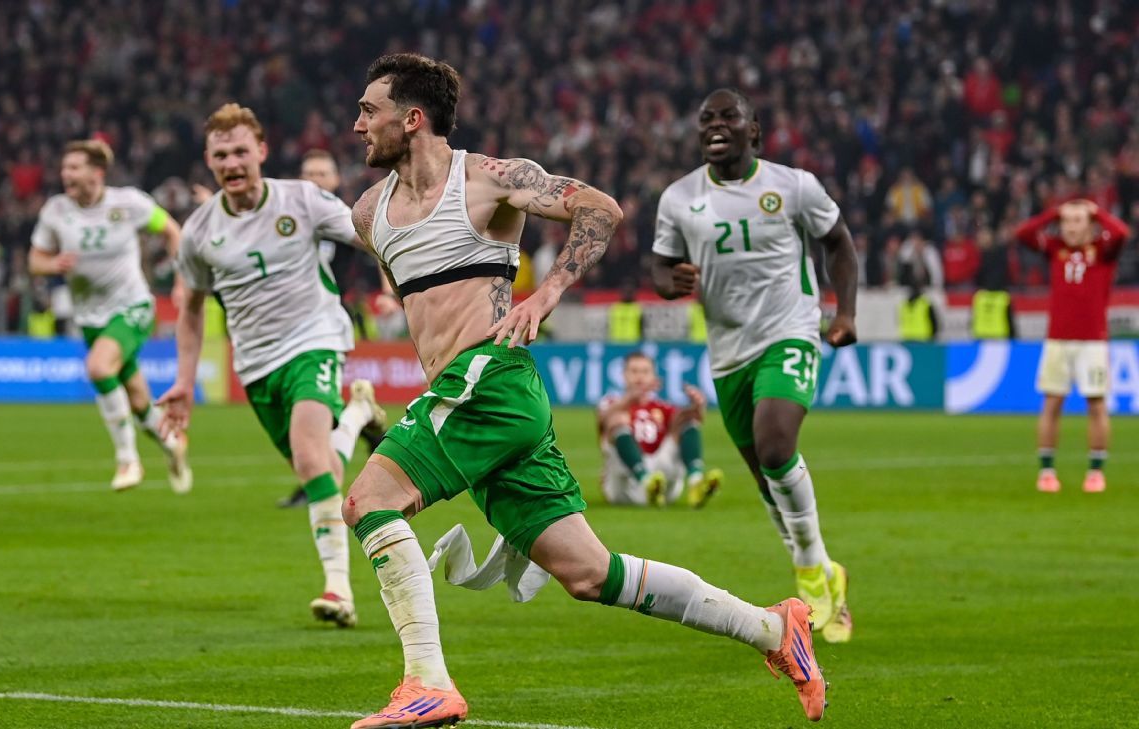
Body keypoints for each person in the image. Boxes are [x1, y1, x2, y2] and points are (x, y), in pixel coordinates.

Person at [343, 54, 826, 727]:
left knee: (368, 501)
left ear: (413, 118)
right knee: (589, 572)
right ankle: (774, 629)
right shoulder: (369, 213)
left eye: (370, 110)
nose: (358, 124)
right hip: (474, 395)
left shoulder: (489, 179)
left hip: (491, 378)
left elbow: (599, 207)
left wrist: (546, 292)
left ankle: (426, 681)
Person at [158, 103, 387, 629]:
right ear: (209, 162)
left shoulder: (301, 199)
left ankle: (339, 589)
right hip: (257, 364)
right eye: (221, 155)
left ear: (260, 151)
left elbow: (368, 234)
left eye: (241, 151)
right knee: (323, 470)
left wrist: (399, 272)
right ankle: (358, 416)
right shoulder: (199, 231)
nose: (232, 163)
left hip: (314, 339)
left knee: (310, 459)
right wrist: (184, 381)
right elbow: (190, 310)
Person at [651, 88, 859, 646]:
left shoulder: (794, 186)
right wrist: (668, 282)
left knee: (775, 446)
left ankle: (810, 570)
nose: (715, 125)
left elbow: (839, 244)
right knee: (768, 479)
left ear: (754, 130)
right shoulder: (679, 197)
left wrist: (845, 312)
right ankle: (827, 575)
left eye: (729, 116)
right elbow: (661, 265)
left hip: (790, 330)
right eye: (706, 118)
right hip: (727, 352)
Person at [28, 139, 192, 494]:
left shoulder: (128, 203)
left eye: (74, 167)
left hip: (133, 307)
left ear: (96, 173)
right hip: (90, 319)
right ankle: (172, 443)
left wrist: (181, 280)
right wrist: (53, 264)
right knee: (138, 401)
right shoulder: (55, 211)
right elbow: (35, 260)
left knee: (99, 367)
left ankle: (127, 459)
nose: (66, 174)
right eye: (64, 167)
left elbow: (171, 231)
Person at [276, 149, 388, 510]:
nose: (315, 180)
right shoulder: (285, 219)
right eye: (309, 173)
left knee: (310, 400)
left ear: (336, 180)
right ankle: (365, 422)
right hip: (291, 322)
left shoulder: (344, 217)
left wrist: (388, 292)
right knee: (307, 400)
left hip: (328, 322)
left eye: (323, 173)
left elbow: (377, 245)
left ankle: (313, 481)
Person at [1014, 199, 1131, 494]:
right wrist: (1054, 213)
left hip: (1092, 341)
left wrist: (1097, 212)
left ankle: (1095, 473)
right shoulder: (1055, 248)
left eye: (1078, 221)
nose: (1071, 227)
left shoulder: (1103, 251)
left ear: (1090, 225)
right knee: (1052, 403)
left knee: (1096, 404)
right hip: (1058, 340)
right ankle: (1046, 472)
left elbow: (1122, 233)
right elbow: (1022, 234)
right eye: (1067, 222)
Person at [596, 351, 724, 507]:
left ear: (653, 376)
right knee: (618, 420)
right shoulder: (612, 402)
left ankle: (696, 482)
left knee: (687, 421)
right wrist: (629, 400)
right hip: (624, 486)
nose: (639, 377)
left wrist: (698, 406)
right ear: (623, 375)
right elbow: (603, 419)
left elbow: (697, 420)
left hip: (661, 482)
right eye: (634, 371)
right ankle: (645, 481)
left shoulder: (661, 407)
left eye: (645, 372)